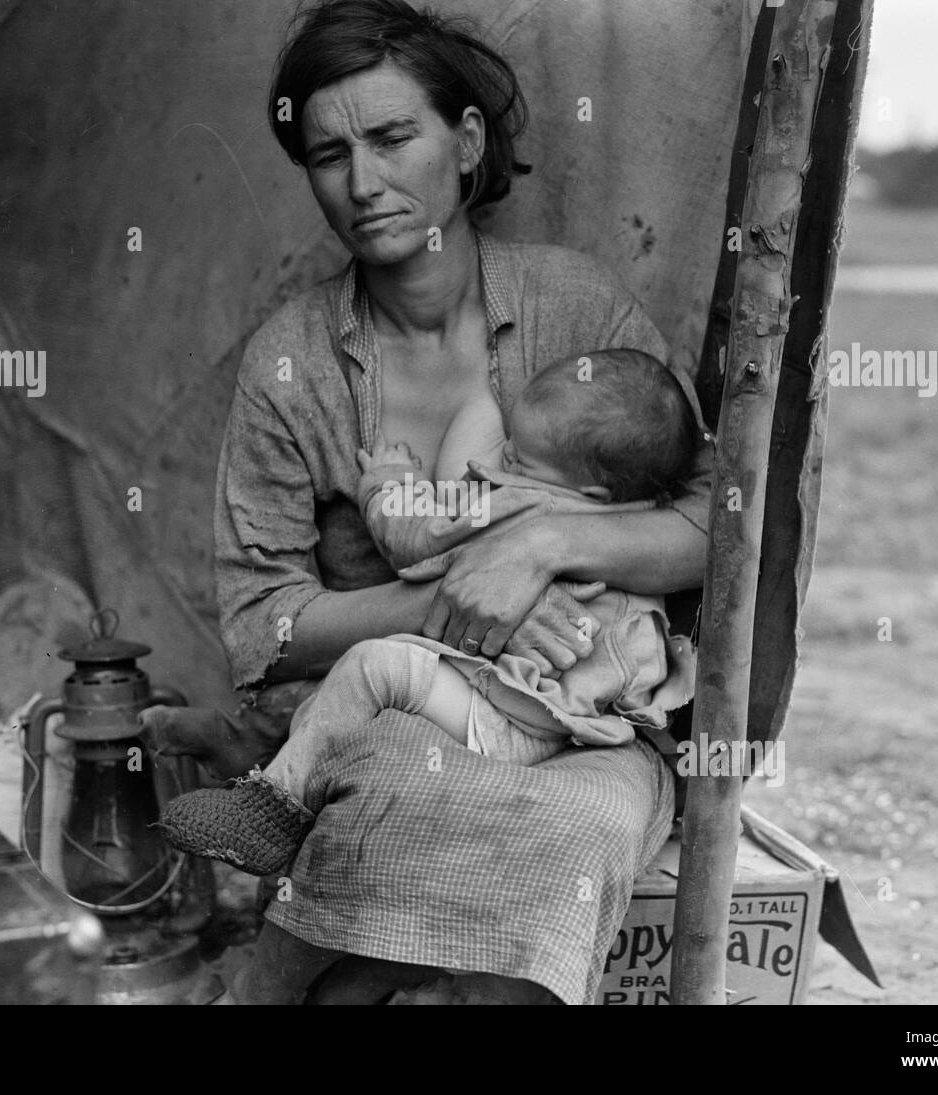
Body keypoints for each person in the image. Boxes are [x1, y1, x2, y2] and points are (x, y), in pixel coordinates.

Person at [142, 0, 716, 1005]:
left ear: (465, 140)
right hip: (412, 708)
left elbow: (716, 531)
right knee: (398, 792)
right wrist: (454, 596)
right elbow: (260, 627)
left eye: (392, 137)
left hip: (587, 719)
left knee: (571, 841)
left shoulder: (575, 314)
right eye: (327, 155)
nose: (363, 183)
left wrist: (538, 547)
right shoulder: (294, 361)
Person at [158, 348, 700, 876]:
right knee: (366, 692)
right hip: (571, 718)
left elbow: (420, 540)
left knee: (375, 666)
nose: (498, 460)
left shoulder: (527, 505)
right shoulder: (636, 520)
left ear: (590, 489)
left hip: (515, 721)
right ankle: (263, 751)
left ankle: (271, 813)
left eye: (516, 459)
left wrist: (390, 484)